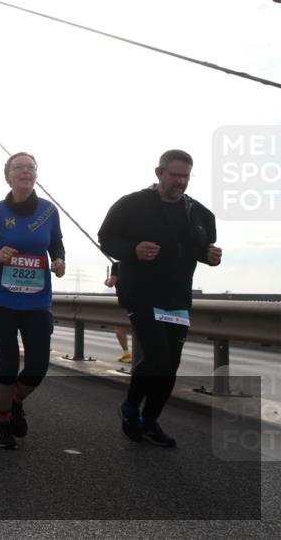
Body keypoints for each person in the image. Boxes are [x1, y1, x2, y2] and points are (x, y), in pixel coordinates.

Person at [99, 149, 221, 448]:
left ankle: (150, 420)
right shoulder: (132, 205)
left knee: (170, 365)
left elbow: (201, 248)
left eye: (185, 177)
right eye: (175, 175)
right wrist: (133, 250)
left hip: (177, 298)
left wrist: (210, 256)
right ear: (159, 173)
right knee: (156, 357)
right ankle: (130, 407)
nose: (180, 182)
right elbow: (107, 238)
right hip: (140, 293)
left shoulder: (200, 213)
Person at [0, 152, 65, 449]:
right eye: (18, 167)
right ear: (8, 176)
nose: (25, 171)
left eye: (30, 167)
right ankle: (1, 422)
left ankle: (15, 400)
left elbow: (56, 243)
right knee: (8, 364)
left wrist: (59, 260)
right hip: (1, 301)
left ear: (36, 174)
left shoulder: (49, 211)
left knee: (38, 366)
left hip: (37, 302)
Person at [105, 262, 132, 363]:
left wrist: (106, 281)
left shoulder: (117, 265)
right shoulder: (142, 263)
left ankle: (127, 354)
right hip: (143, 302)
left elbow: (111, 282)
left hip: (126, 303)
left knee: (120, 329)